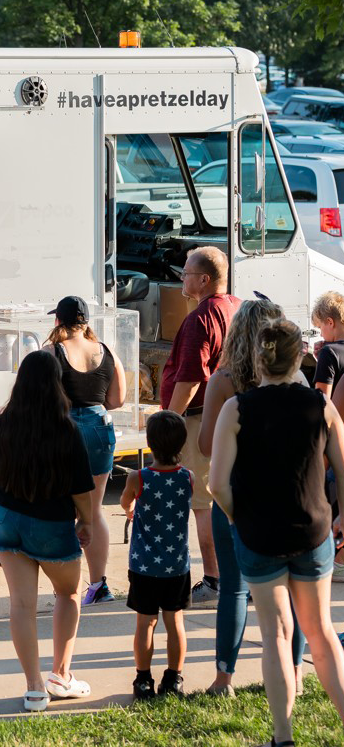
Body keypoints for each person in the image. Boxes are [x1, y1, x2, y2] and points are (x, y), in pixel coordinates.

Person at [210, 319, 344, 747]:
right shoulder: (320, 405)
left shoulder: (237, 409)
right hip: (313, 531)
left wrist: (237, 517)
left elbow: (216, 484)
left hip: (259, 536)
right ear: (298, 358)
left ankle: (283, 737)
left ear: (257, 359)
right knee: (321, 632)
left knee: (276, 636)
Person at [198, 300, 308, 696]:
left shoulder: (223, 381)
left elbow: (206, 445)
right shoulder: (298, 380)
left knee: (233, 588)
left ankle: (223, 679)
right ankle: (295, 672)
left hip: (236, 495)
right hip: (287, 496)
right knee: (293, 590)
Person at [0, 350, 94, 711]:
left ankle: (34, 688)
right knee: (69, 593)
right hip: (51, 526)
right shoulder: (67, 430)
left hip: (6, 523)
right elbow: (82, 491)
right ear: (56, 384)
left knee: (21, 604)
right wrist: (87, 521)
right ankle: (60, 675)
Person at [161, 246, 241, 606]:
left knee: (202, 502)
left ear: (204, 279)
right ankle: (236, 574)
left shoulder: (200, 318)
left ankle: (214, 580)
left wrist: (168, 420)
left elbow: (190, 379)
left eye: (187, 273)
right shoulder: (237, 307)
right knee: (226, 496)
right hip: (230, 415)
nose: (182, 277)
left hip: (198, 419)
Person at [43, 296, 126, 606]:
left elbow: (41, 398)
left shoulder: (52, 352)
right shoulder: (107, 352)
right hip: (100, 427)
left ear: (58, 321)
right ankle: (99, 585)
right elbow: (116, 400)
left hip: (65, 430)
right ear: (86, 322)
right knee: (94, 510)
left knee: (64, 509)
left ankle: (67, 588)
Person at [120, 410, 193, 699]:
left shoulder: (138, 477)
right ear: (182, 443)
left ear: (149, 443)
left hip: (144, 566)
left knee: (145, 623)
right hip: (177, 566)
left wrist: (131, 508)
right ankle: (174, 678)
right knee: (175, 623)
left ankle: (143, 680)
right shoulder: (187, 477)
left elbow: (126, 503)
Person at [312, 291, 344, 397]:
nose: (321, 334)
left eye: (320, 327)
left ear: (330, 322)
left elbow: (322, 402)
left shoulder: (329, 352)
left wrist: (323, 359)